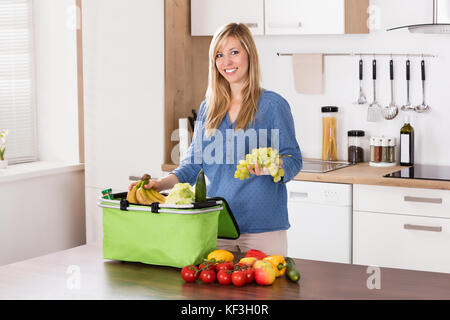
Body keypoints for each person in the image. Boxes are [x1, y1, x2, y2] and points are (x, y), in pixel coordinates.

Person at [129, 22, 302, 256]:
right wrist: (159, 185)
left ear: (249, 53)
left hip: (264, 228)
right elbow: (192, 166)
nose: (227, 62)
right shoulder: (209, 108)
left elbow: (293, 159)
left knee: (266, 293)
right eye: (219, 55)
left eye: (234, 52)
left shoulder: (273, 105)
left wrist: (274, 165)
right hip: (217, 224)